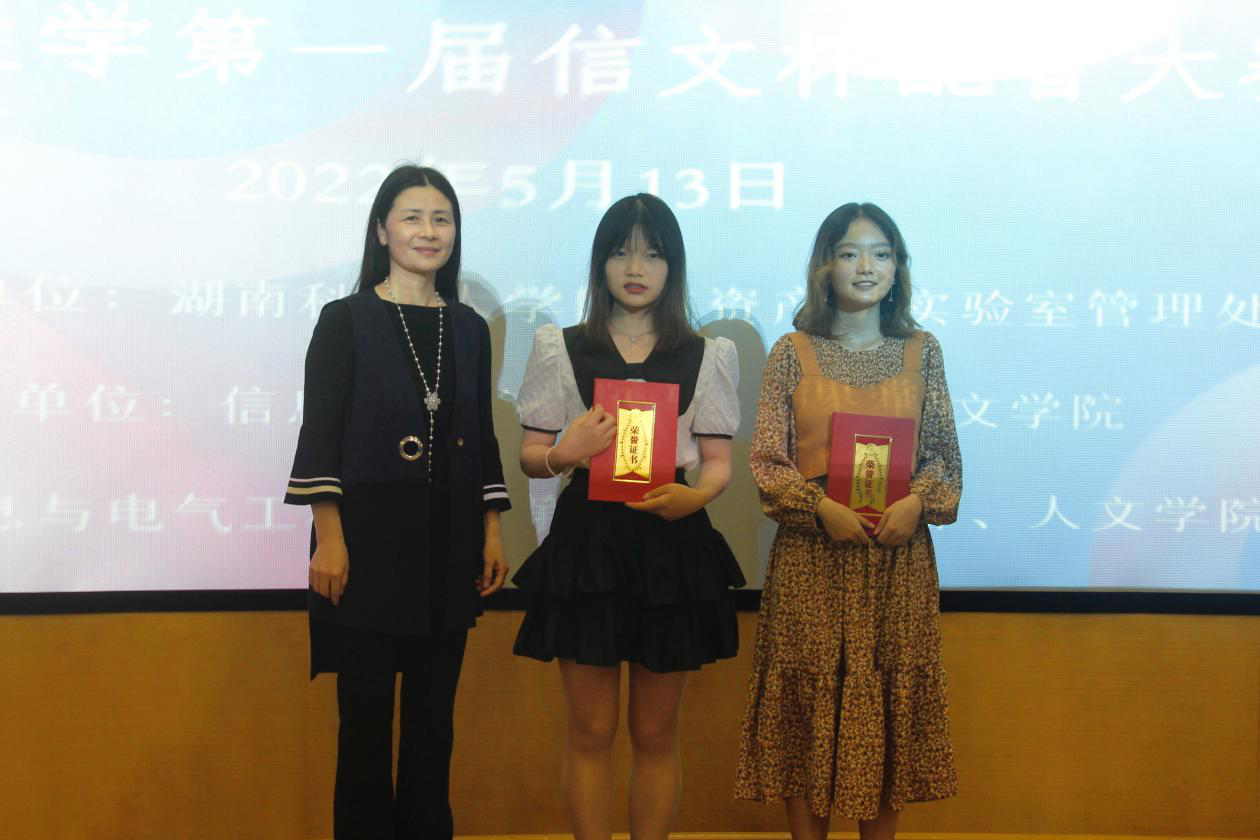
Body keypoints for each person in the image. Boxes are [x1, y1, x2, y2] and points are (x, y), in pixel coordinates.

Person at [283, 165, 511, 839]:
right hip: (366, 542)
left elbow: (482, 437)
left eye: (442, 218)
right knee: (364, 725)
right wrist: (331, 538)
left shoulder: (468, 328)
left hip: (448, 543)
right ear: (382, 230)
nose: (428, 231)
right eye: (412, 217)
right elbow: (320, 435)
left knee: (433, 726)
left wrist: (490, 533)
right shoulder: (345, 320)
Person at [512, 193, 745, 840]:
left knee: (655, 733)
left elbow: (718, 464)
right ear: (600, 263)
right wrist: (566, 453)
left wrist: (697, 497)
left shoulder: (706, 353)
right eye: (620, 252)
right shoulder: (561, 347)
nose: (635, 268)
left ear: (674, 267)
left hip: (671, 544)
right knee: (590, 731)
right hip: (587, 546)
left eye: (652, 254)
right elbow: (532, 456)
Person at [734, 203, 962, 840]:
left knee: (885, 712)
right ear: (825, 266)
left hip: (896, 562)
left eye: (881, 253)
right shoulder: (792, 352)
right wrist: (819, 509)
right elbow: (767, 460)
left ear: (897, 268)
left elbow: (943, 456)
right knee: (808, 713)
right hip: (813, 561)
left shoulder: (922, 351)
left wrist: (916, 503)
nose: (867, 266)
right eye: (850, 253)